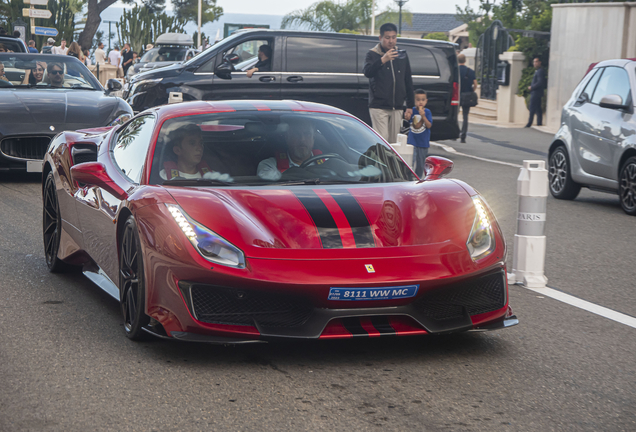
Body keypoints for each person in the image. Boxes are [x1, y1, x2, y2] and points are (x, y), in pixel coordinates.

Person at [363, 22, 414, 143]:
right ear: (380, 38)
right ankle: (380, 162)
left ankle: (390, 162)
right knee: (382, 141)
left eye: (393, 37)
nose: (391, 41)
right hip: (379, 106)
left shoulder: (401, 55)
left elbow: (408, 80)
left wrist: (410, 106)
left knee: (394, 142)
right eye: (387, 38)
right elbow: (367, 72)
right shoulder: (372, 54)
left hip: (397, 106)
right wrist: (383, 60)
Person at [257, 119, 324, 181]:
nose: (302, 139)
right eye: (296, 134)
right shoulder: (269, 166)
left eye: (307, 134)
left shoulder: (326, 162)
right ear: (287, 137)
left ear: (314, 137)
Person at [406, 89, 433, 178]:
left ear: (426, 101)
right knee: (411, 162)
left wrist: (423, 116)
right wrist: (407, 116)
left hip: (423, 143)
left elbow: (429, 125)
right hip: (412, 141)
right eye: (418, 100)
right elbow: (407, 119)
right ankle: (409, 178)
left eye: (422, 100)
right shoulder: (412, 110)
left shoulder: (427, 112)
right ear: (414, 101)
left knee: (421, 164)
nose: (420, 102)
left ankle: (418, 179)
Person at [458, 53, 477, 143]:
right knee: (465, 116)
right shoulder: (470, 71)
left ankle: (455, 133)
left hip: (457, 95)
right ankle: (463, 136)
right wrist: (472, 90)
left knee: (455, 114)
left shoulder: (456, 70)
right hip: (467, 95)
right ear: (465, 61)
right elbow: (475, 84)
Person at [526, 57, 546, 128]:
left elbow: (540, 82)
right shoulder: (538, 71)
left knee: (532, 108)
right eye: (534, 62)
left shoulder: (540, 71)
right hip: (537, 93)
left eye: (536, 62)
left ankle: (529, 122)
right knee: (538, 108)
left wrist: (532, 87)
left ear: (540, 62)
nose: (534, 63)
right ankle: (539, 122)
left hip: (536, 93)